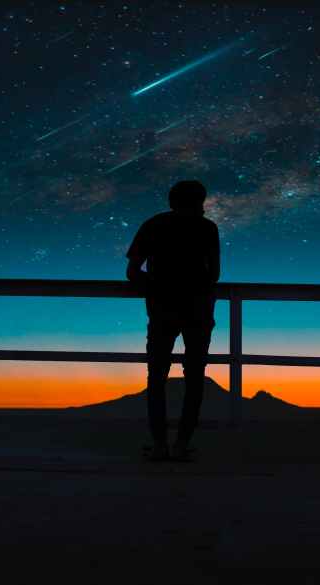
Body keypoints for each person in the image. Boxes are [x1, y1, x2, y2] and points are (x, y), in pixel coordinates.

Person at [125, 180, 220, 461]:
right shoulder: (207, 229)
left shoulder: (153, 225)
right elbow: (214, 274)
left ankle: (159, 445)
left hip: (162, 310)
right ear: (200, 201)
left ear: (171, 201)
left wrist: (157, 287)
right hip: (199, 311)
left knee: (156, 377)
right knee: (194, 378)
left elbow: (132, 271)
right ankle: (182, 444)